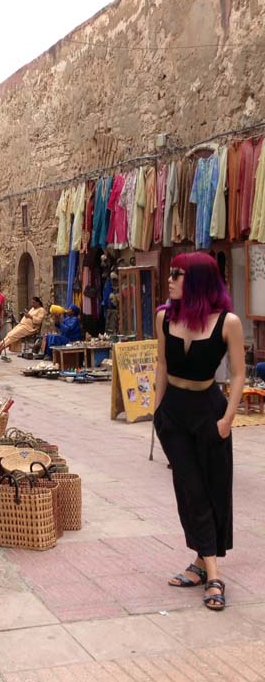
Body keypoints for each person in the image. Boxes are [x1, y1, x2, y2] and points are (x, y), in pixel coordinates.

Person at [154, 252, 245, 612]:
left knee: (212, 488)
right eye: (171, 274)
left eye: (178, 275)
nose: (170, 280)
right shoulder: (165, 317)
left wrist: (228, 420)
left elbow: (237, 374)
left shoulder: (228, 322)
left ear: (198, 282)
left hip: (209, 412)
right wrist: (157, 412)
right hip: (173, 413)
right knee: (189, 488)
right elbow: (162, 363)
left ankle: (202, 563)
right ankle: (213, 572)